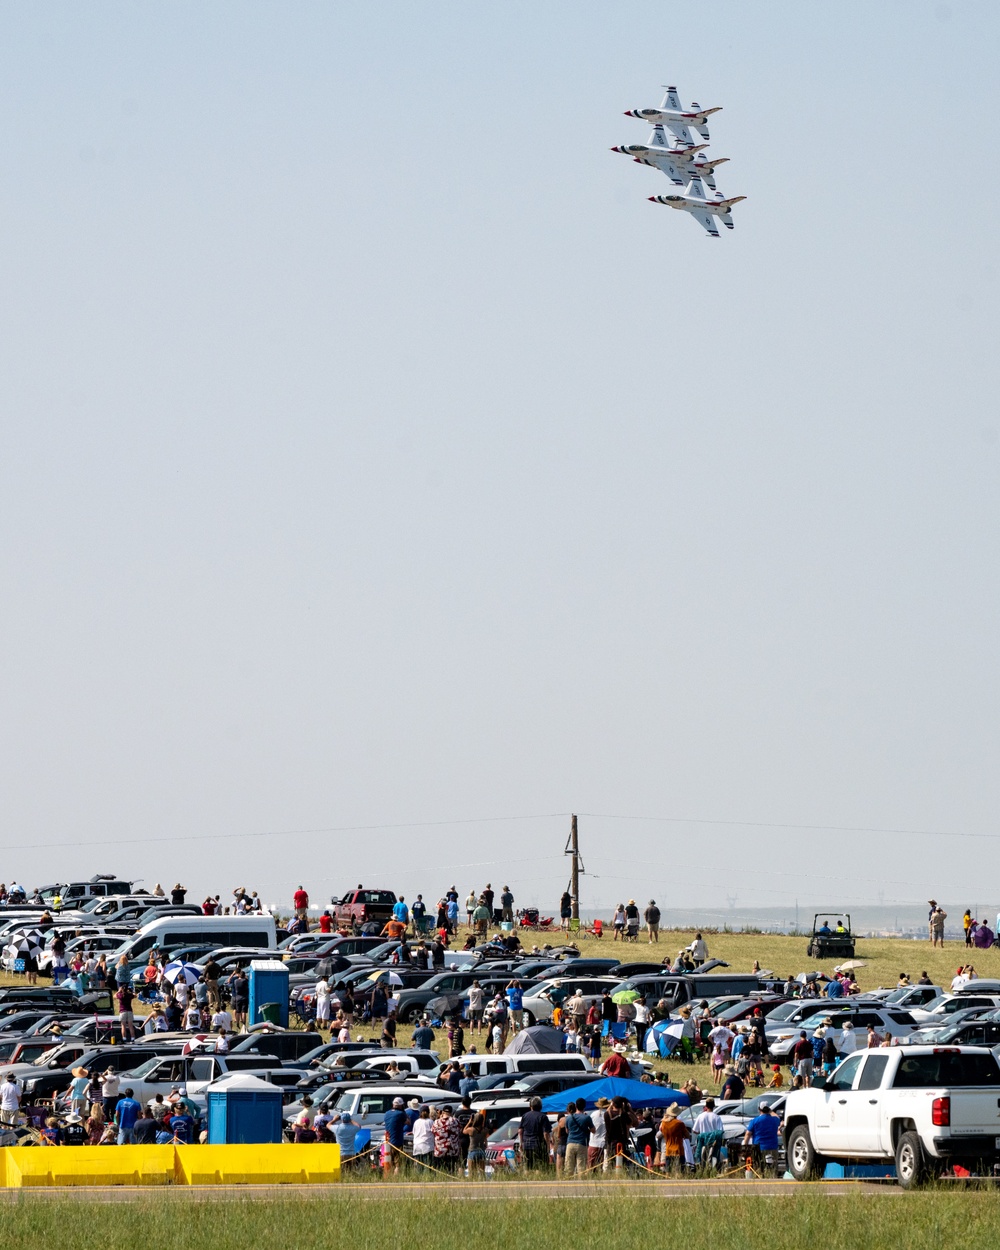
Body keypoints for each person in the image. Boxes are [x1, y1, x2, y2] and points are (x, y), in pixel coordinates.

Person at [742, 1100, 780, 1168]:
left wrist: (745, 1146)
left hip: (759, 1148)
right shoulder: (774, 1120)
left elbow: (748, 1134)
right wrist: (770, 1111)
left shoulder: (754, 1121)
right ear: (769, 1109)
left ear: (759, 1109)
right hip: (773, 1147)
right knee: (772, 1168)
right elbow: (777, 1117)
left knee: (759, 1167)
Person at [563, 1098, 594, 1176]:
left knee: (569, 1167)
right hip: (582, 1144)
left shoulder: (569, 1118)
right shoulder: (586, 1118)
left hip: (570, 1143)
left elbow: (567, 1131)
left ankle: (567, 1184)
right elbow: (593, 1130)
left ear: (576, 1106)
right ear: (584, 1107)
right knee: (581, 1168)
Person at [691, 1097, 724, 1168]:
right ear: (714, 1105)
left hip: (702, 1142)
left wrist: (702, 1133)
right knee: (713, 1159)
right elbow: (720, 1132)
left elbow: (695, 1130)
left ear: (706, 1106)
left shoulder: (701, 1116)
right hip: (713, 1143)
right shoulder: (717, 1117)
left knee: (702, 1160)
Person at [659, 1102, 691, 1173]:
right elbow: (687, 1135)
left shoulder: (664, 1123)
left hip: (668, 1150)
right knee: (680, 1171)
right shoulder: (679, 1123)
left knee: (669, 1172)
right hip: (678, 1150)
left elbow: (661, 1132)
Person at [432, 1104, 462, 1171]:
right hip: (452, 1150)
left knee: (439, 1170)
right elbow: (460, 1131)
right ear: (451, 1113)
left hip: (439, 1150)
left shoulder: (437, 1122)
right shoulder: (456, 1121)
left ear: (442, 1112)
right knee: (451, 1169)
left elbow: (433, 1132)